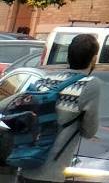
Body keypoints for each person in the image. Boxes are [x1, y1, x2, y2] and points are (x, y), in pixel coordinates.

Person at [18, 31, 100, 183]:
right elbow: (89, 131)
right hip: (51, 173)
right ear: (94, 58)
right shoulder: (90, 84)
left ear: (68, 56)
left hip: (26, 164)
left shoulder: (47, 80)